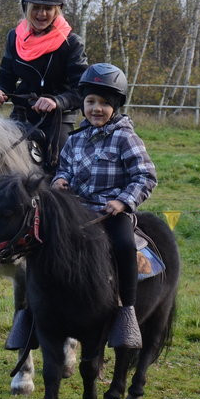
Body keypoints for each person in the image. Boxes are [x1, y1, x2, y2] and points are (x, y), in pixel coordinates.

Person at [51, 63, 157, 349]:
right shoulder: (74, 139)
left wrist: (123, 201)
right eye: (90, 102)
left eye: (104, 103)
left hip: (111, 213)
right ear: (83, 104)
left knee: (124, 245)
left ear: (115, 107)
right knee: (42, 241)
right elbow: (64, 169)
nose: (96, 108)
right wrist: (60, 181)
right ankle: (32, 310)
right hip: (77, 211)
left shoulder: (125, 137)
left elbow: (146, 175)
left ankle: (127, 312)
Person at [0, 0, 88, 167]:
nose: (42, 14)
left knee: (63, 166)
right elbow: (6, 77)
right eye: (36, 7)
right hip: (21, 116)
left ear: (58, 10)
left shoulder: (72, 43)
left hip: (57, 121)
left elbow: (82, 90)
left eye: (48, 8)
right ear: (26, 7)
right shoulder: (14, 37)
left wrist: (56, 101)